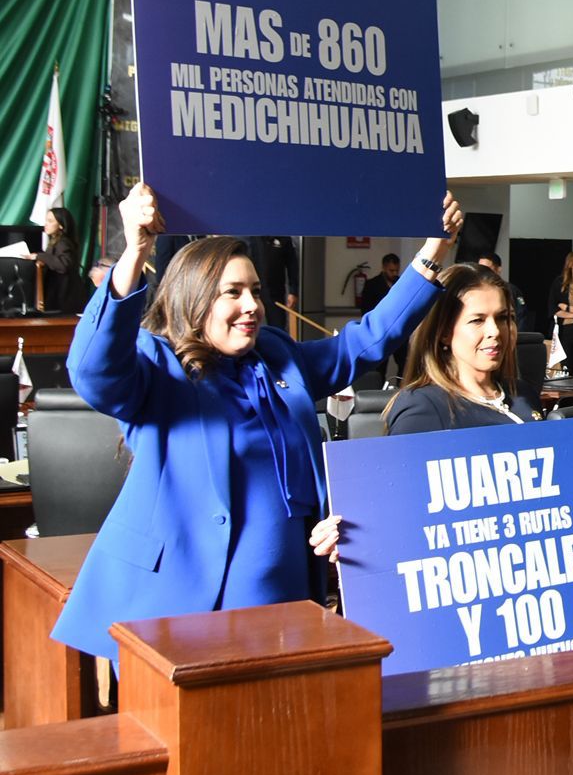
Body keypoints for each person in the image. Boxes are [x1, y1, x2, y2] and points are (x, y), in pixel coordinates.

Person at [51, 184, 462, 663]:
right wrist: (135, 251)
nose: (252, 305)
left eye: (256, 291)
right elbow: (94, 372)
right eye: (233, 292)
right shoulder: (158, 365)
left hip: (286, 601)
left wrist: (433, 253)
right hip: (180, 609)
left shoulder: (276, 354)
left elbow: (365, 342)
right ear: (194, 299)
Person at [384, 263, 537, 434]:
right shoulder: (423, 407)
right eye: (477, 320)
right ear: (444, 332)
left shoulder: (523, 393)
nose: (494, 331)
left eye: (503, 318)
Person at [28, 206, 87, 313]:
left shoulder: (63, 242)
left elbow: (63, 265)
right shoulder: (56, 241)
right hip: (61, 295)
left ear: (61, 225)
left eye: (50, 221)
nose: (46, 224)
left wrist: (38, 256)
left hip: (66, 297)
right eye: (46, 220)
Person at [247, 235, 298, 330]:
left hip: (275, 294)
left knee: (277, 328)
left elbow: (292, 265)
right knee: (252, 325)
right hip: (251, 293)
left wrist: (293, 291)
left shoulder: (284, 237)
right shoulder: (247, 236)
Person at [476, 252, 529, 329]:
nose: (483, 272)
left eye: (487, 268)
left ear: (498, 269)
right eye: (480, 268)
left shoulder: (512, 290)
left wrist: (518, 335)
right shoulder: (474, 291)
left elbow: (522, 315)